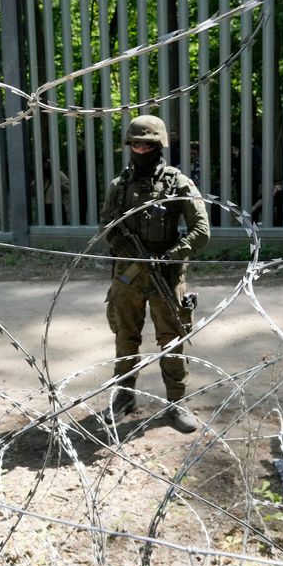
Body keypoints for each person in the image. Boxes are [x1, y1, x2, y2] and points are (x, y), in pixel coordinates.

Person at [99, 115, 211, 433]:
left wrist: (169, 256)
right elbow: (106, 224)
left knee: (173, 341)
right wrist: (127, 247)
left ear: (158, 145)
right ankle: (123, 396)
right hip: (128, 275)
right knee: (125, 338)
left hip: (166, 276)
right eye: (135, 143)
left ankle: (176, 404)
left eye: (147, 144)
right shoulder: (119, 186)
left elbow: (201, 231)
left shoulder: (178, 183)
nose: (140, 149)